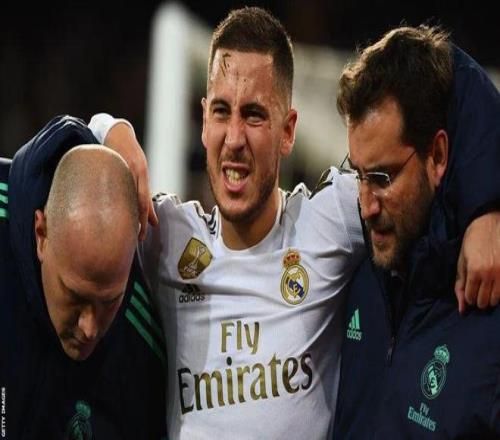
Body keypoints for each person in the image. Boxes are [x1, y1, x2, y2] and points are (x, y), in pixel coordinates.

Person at [89, 8, 500, 439]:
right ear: (204, 120)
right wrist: (112, 132)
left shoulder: (335, 218)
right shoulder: (163, 237)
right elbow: (61, 180)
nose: (234, 139)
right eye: (222, 112)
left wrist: (485, 209)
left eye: (254, 115)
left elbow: (444, 79)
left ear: (288, 131)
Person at [333, 25, 500, 438]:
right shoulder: (353, 265)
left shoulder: (488, 309)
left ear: (437, 156)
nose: (366, 206)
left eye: (383, 177)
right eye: (358, 174)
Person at [0, 116, 166, 439]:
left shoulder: (142, 352)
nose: (90, 328)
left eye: (109, 302)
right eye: (76, 297)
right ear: (41, 234)